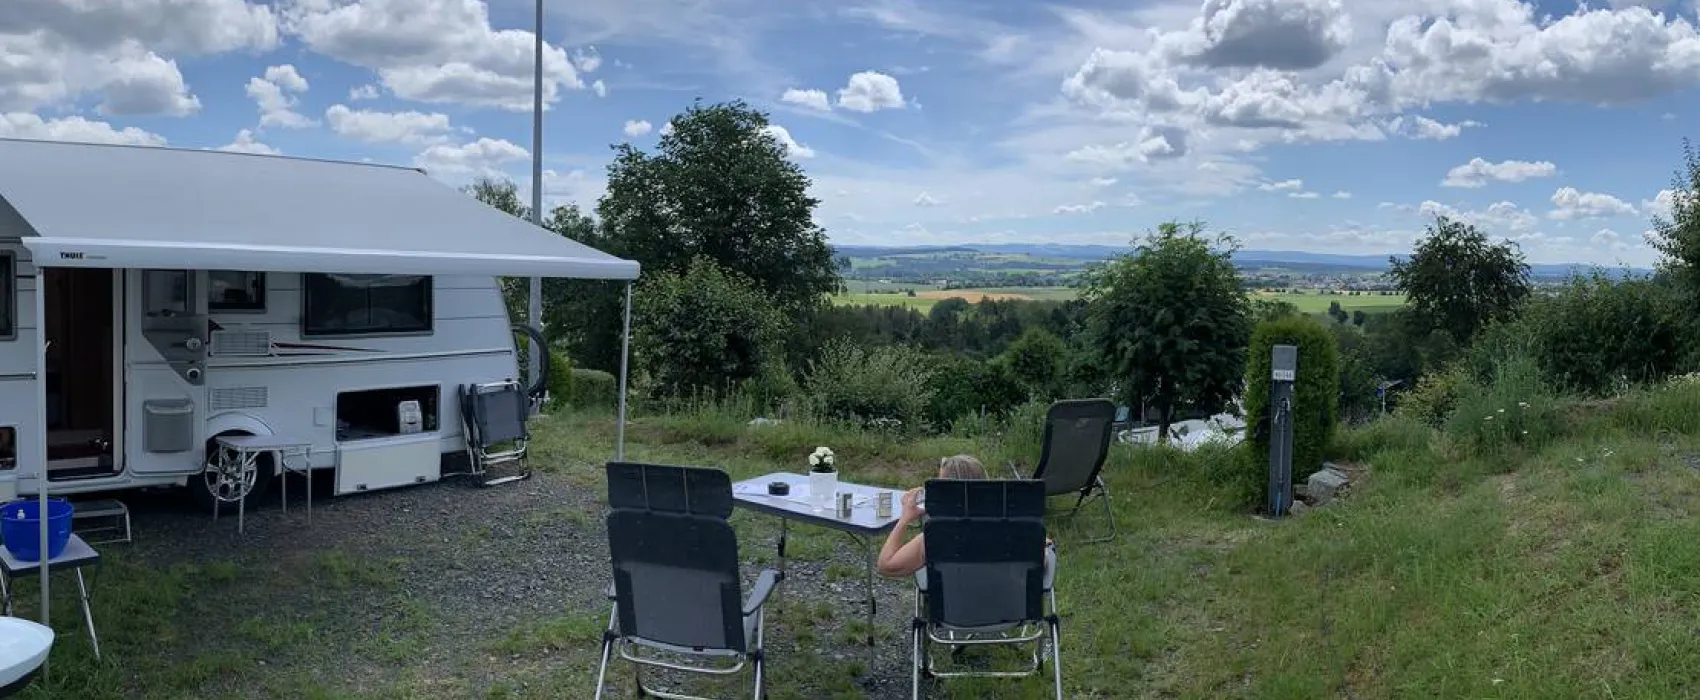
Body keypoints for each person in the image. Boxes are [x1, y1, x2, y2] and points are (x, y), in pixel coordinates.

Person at [876, 455, 1055, 579]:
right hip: (1011, 611)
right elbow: (1042, 562)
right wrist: (1040, 544)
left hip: (953, 611)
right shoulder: (1016, 531)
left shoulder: (934, 537)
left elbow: (886, 565)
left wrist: (905, 518)